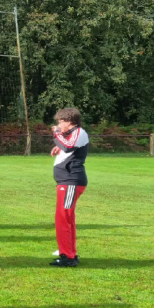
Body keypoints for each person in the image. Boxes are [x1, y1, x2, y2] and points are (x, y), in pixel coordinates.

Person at [49, 107, 89, 267]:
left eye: (60, 121)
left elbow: (69, 147)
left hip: (71, 181)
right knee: (65, 218)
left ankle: (68, 257)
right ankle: (68, 253)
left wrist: (57, 134)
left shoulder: (80, 132)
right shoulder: (73, 134)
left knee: (64, 218)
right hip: (66, 181)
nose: (58, 124)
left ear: (69, 121)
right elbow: (67, 147)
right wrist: (60, 145)